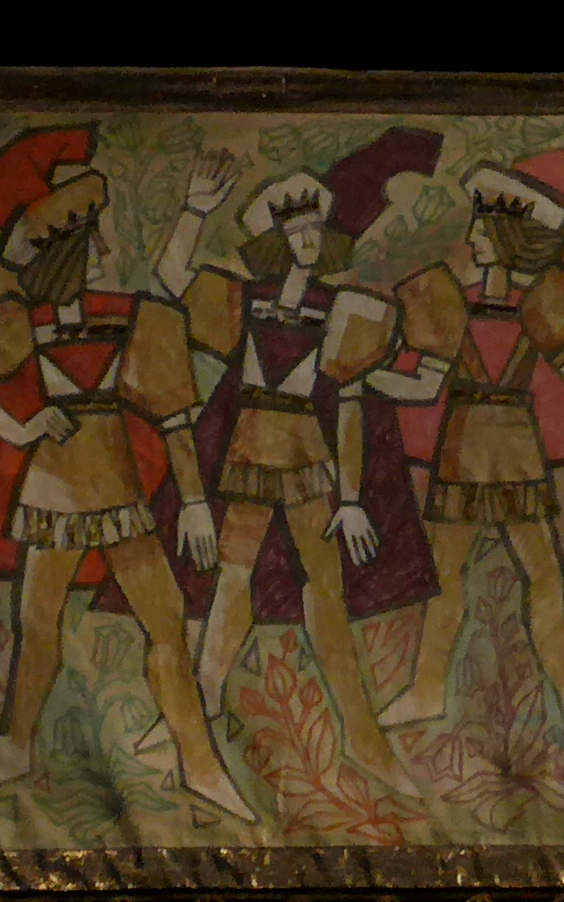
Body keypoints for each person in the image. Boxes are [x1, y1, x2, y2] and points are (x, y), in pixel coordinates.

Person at [0, 129, 249, 820]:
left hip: (116, 493)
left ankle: (202, 767)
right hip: (52, 494)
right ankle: (14, 747)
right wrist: (20, 427)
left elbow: (173, 415)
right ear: (77, 249)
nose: (105, 249)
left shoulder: (129, 316)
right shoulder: (20, 322)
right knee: (39, 629)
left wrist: (195, 503)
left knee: (165, 627)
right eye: (95, 238)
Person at [364, 161, 564, 757]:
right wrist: (367, 378)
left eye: (483, 230)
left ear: (508, 239)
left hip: (516, 451)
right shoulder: (446, 301)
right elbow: (425, 385)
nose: (473, 240)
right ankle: (426, 691)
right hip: (464, 449)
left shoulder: (544, 304)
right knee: (446, 576)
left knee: (545, 578)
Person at [170, 169, 404, 771]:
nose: (307, 241)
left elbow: (348, 405)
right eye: (295, 232)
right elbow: (170, 288)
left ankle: (358, 729)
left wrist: (350, 498)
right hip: (248, 452)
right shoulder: (242, 299)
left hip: (307, 458)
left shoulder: (346, 309)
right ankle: (204, 701)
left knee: (323, 587)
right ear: (274, 241)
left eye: (314, 230)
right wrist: (193, 213)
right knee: (232, 577)